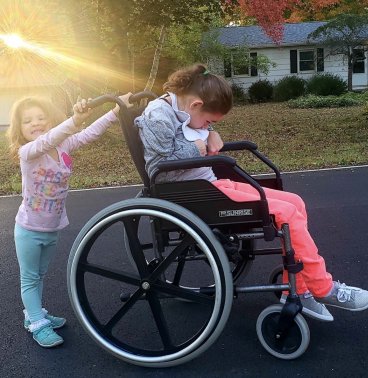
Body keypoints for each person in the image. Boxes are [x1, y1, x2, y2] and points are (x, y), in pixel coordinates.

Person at [135, 63, 368, 322]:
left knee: (295, 202)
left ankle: (301, 289)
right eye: (210, 120)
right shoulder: (158, 115)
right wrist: (201, 146)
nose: (208, 125)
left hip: (209, 184)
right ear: (195, 105)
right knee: (286, 213)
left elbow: (192, 131)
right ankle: (323, 288)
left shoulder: (184, 108)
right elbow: (161, 166)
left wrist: (210, 132)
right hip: (190, 195)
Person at [6, 93, 132, 348]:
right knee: (30, 278)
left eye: (41, 117)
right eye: (27, 120)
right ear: (18, 129)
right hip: (28, 229)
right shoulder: (27, 152)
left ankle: (35, 314)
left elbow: (89, 134)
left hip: (51, 228)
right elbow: (48, 139)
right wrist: (74, 121)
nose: (36, 123)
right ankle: (37, 324)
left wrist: (115, 111)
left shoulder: (62, 146)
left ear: (51, 119)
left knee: (40, 275)